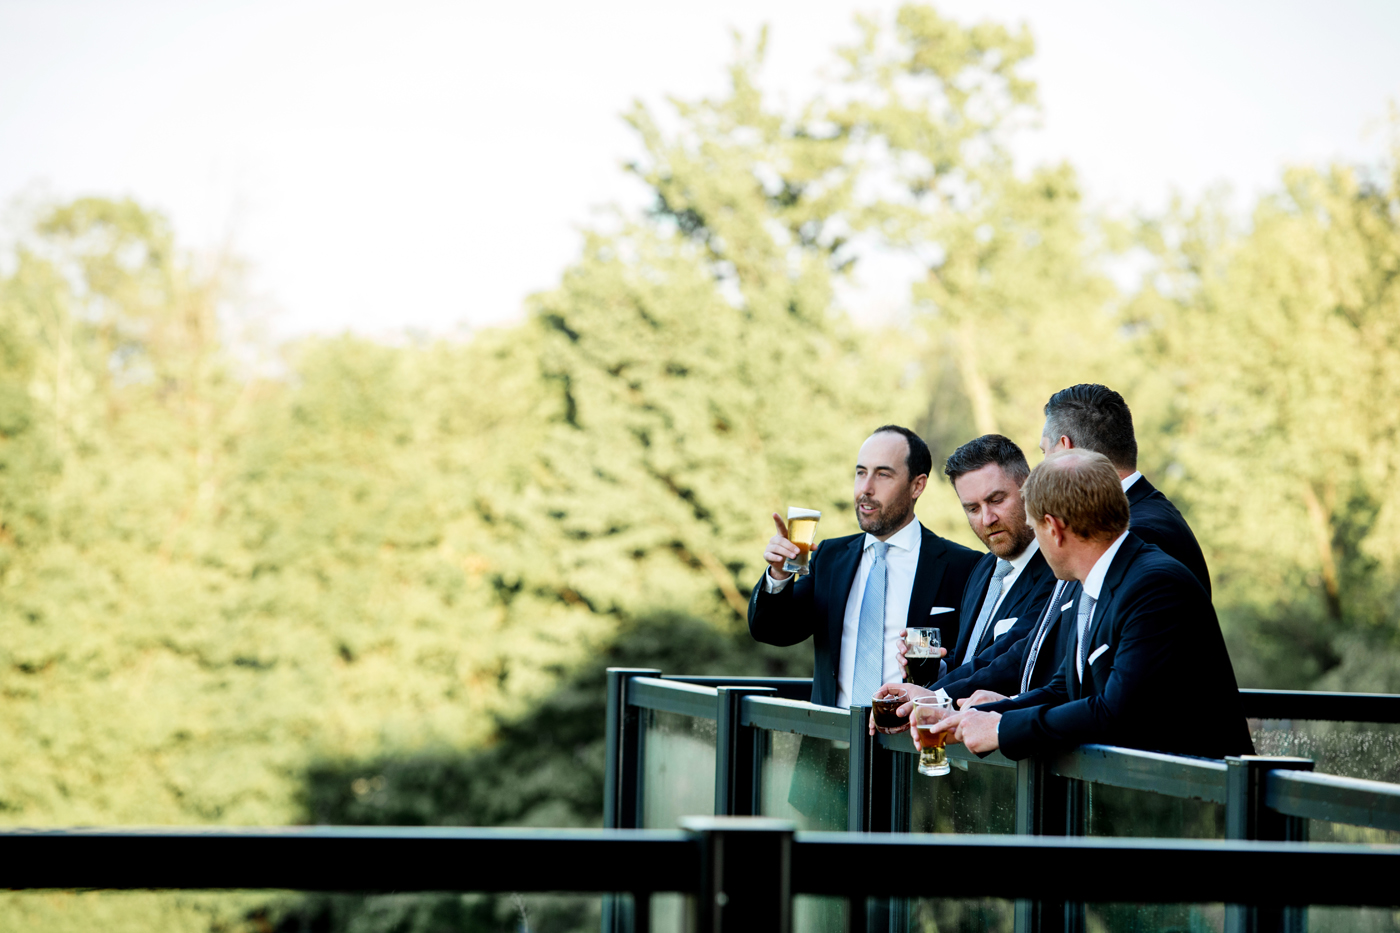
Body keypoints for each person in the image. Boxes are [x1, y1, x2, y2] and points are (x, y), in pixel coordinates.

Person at [918, 450, 1254, 760]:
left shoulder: (1155, 586)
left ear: (1054, 529)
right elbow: (1064, 687)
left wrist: (1003, 729)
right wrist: (988, 714)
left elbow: (1116, 712)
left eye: (1035, 527)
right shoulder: (1087, 583)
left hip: (1204, 806)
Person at [749, 425, 981, 710]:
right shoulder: (829, 557)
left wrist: (938, 668)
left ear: (917, 485)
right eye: (861, 473)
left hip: (912, 746)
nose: (865, 489)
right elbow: (772, 631)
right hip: (831, 743)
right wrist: (778, 575)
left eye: (883, 474)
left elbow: (977, 662)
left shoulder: (964, 566)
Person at [1040, 383, 1211, 593]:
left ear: (1067, 450)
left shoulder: (1135, 534)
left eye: (1044, 452)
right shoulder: (1133, 519)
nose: (1041, 468)